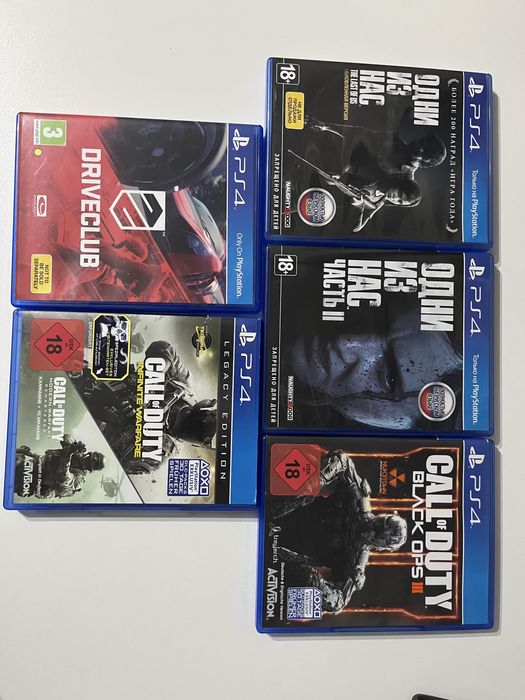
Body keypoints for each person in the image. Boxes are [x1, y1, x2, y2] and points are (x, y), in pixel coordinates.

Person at [270, 450, 408, 613]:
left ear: (380, 547)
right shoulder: (358, 501)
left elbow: (339, 602)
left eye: (377, 535)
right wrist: (319, 479)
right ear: (381, 517)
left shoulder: (356, 561)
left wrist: (318, 585)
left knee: (305, 579)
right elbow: (342, 460)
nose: (369, 531)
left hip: (283, 553)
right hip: (286, 506)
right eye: (377, 526)